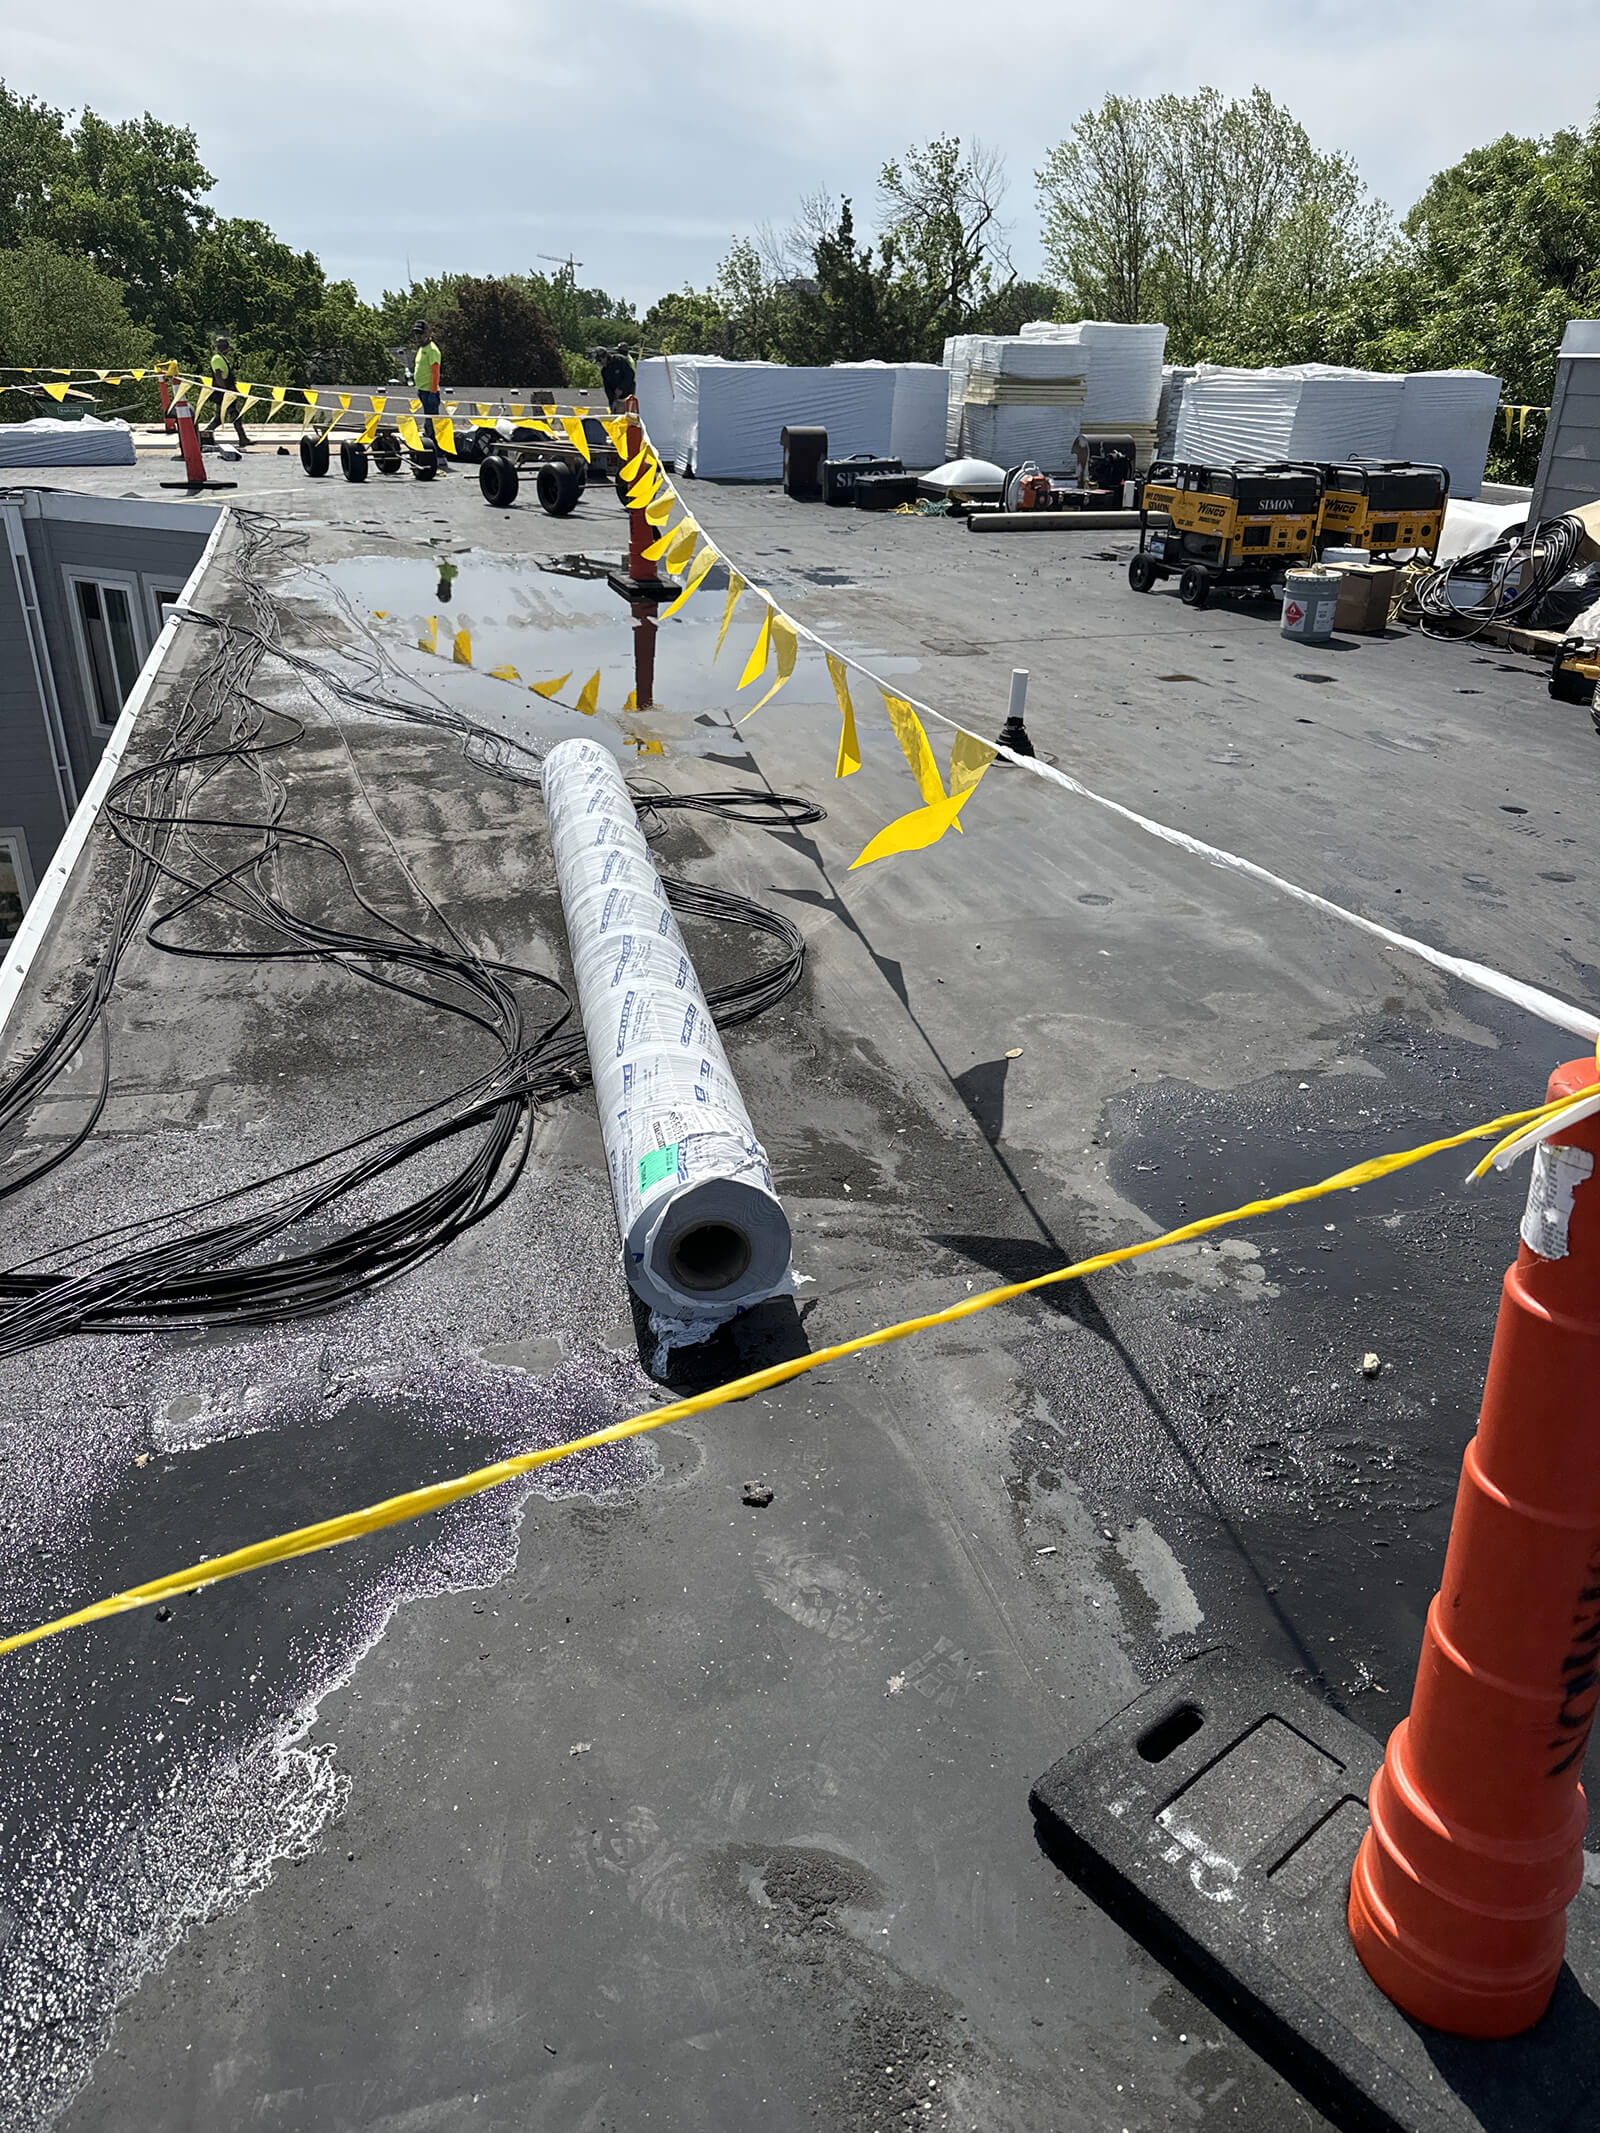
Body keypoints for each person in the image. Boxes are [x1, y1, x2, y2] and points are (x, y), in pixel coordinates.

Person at [203, 334, 250, 449]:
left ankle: (205, 435)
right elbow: (218, 376)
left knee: (219, 417)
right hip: (223, 393)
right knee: (234, 415)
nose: (229, 349)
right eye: (227, 347)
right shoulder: (217, 359)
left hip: (227, 392)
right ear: (223, 347)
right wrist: (226, 390)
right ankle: (243, 439)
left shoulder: (221, 358)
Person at [414, 319, 442, 448]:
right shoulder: (421, 349)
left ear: (427, 333)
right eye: (416, 334)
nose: (418, 337)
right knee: (428, 421)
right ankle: (431, 449)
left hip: (429, 391)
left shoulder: (432, 350)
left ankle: (437, 453)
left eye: (420, 333)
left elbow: (435, 372)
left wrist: (433, 391)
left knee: (432, 423)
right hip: (422, 390)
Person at [601, 346, 636, 412]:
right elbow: (607, 388)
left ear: (605, 356)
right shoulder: (604, 371)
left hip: (629, 397)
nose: (601, 363)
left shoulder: (620, 361)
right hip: (617, 401)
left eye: (600, 360)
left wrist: (621, 388)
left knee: (630, 419)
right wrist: (612, 402)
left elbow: (630, 375)